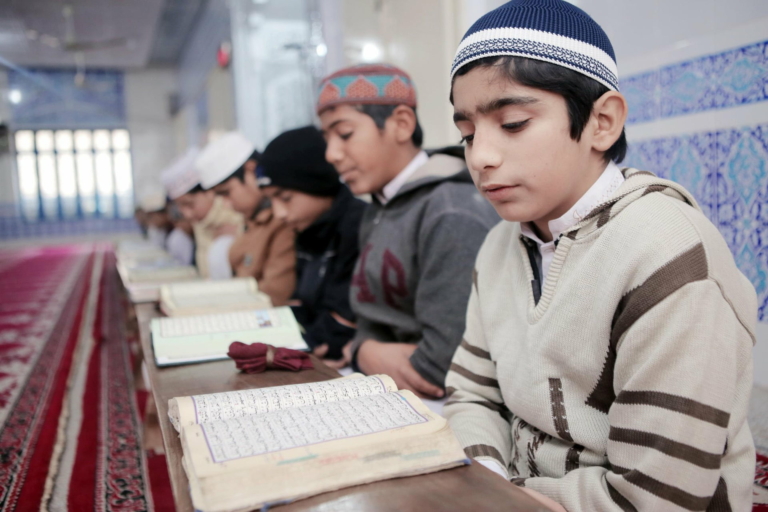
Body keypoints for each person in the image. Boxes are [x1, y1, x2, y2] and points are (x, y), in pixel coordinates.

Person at [443, 1, 756, 511]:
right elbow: (473, 394)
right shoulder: (501, 241)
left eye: (514, 123)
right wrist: (489, 477)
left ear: (602, 121)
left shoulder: (665, 253)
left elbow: (659, 497)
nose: (480, 156)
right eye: (468, 134)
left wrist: (505, 498)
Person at [317, 64, 499, 397]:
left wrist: (362, 352)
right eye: (326, 138)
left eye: (344, 134)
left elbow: (442, 365)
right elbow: (369, 317)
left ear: (401, 124)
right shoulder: (380, 204)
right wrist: (366, 350)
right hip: (390, 391)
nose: (331, 154)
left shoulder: (450, 210)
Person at [257, 125, 367, 366]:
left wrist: (297, 349)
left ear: (318, 183)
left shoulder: (357, 225)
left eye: (285, 198)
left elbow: (341, 324)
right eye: (270, 201)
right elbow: (301, 304)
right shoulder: (308, 229)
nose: (279, 213)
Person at [196, 132, 296, 306]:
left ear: (251, 170)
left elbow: (273, 294)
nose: (226, 205)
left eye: (227, 193)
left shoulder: (283, 219)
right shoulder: (252, 219)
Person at [161, 148, 244, 278]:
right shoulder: (202, 222)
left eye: (189, 204)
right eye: (180, 207)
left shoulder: (237, 213)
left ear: (210, 192)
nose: (186, 214)